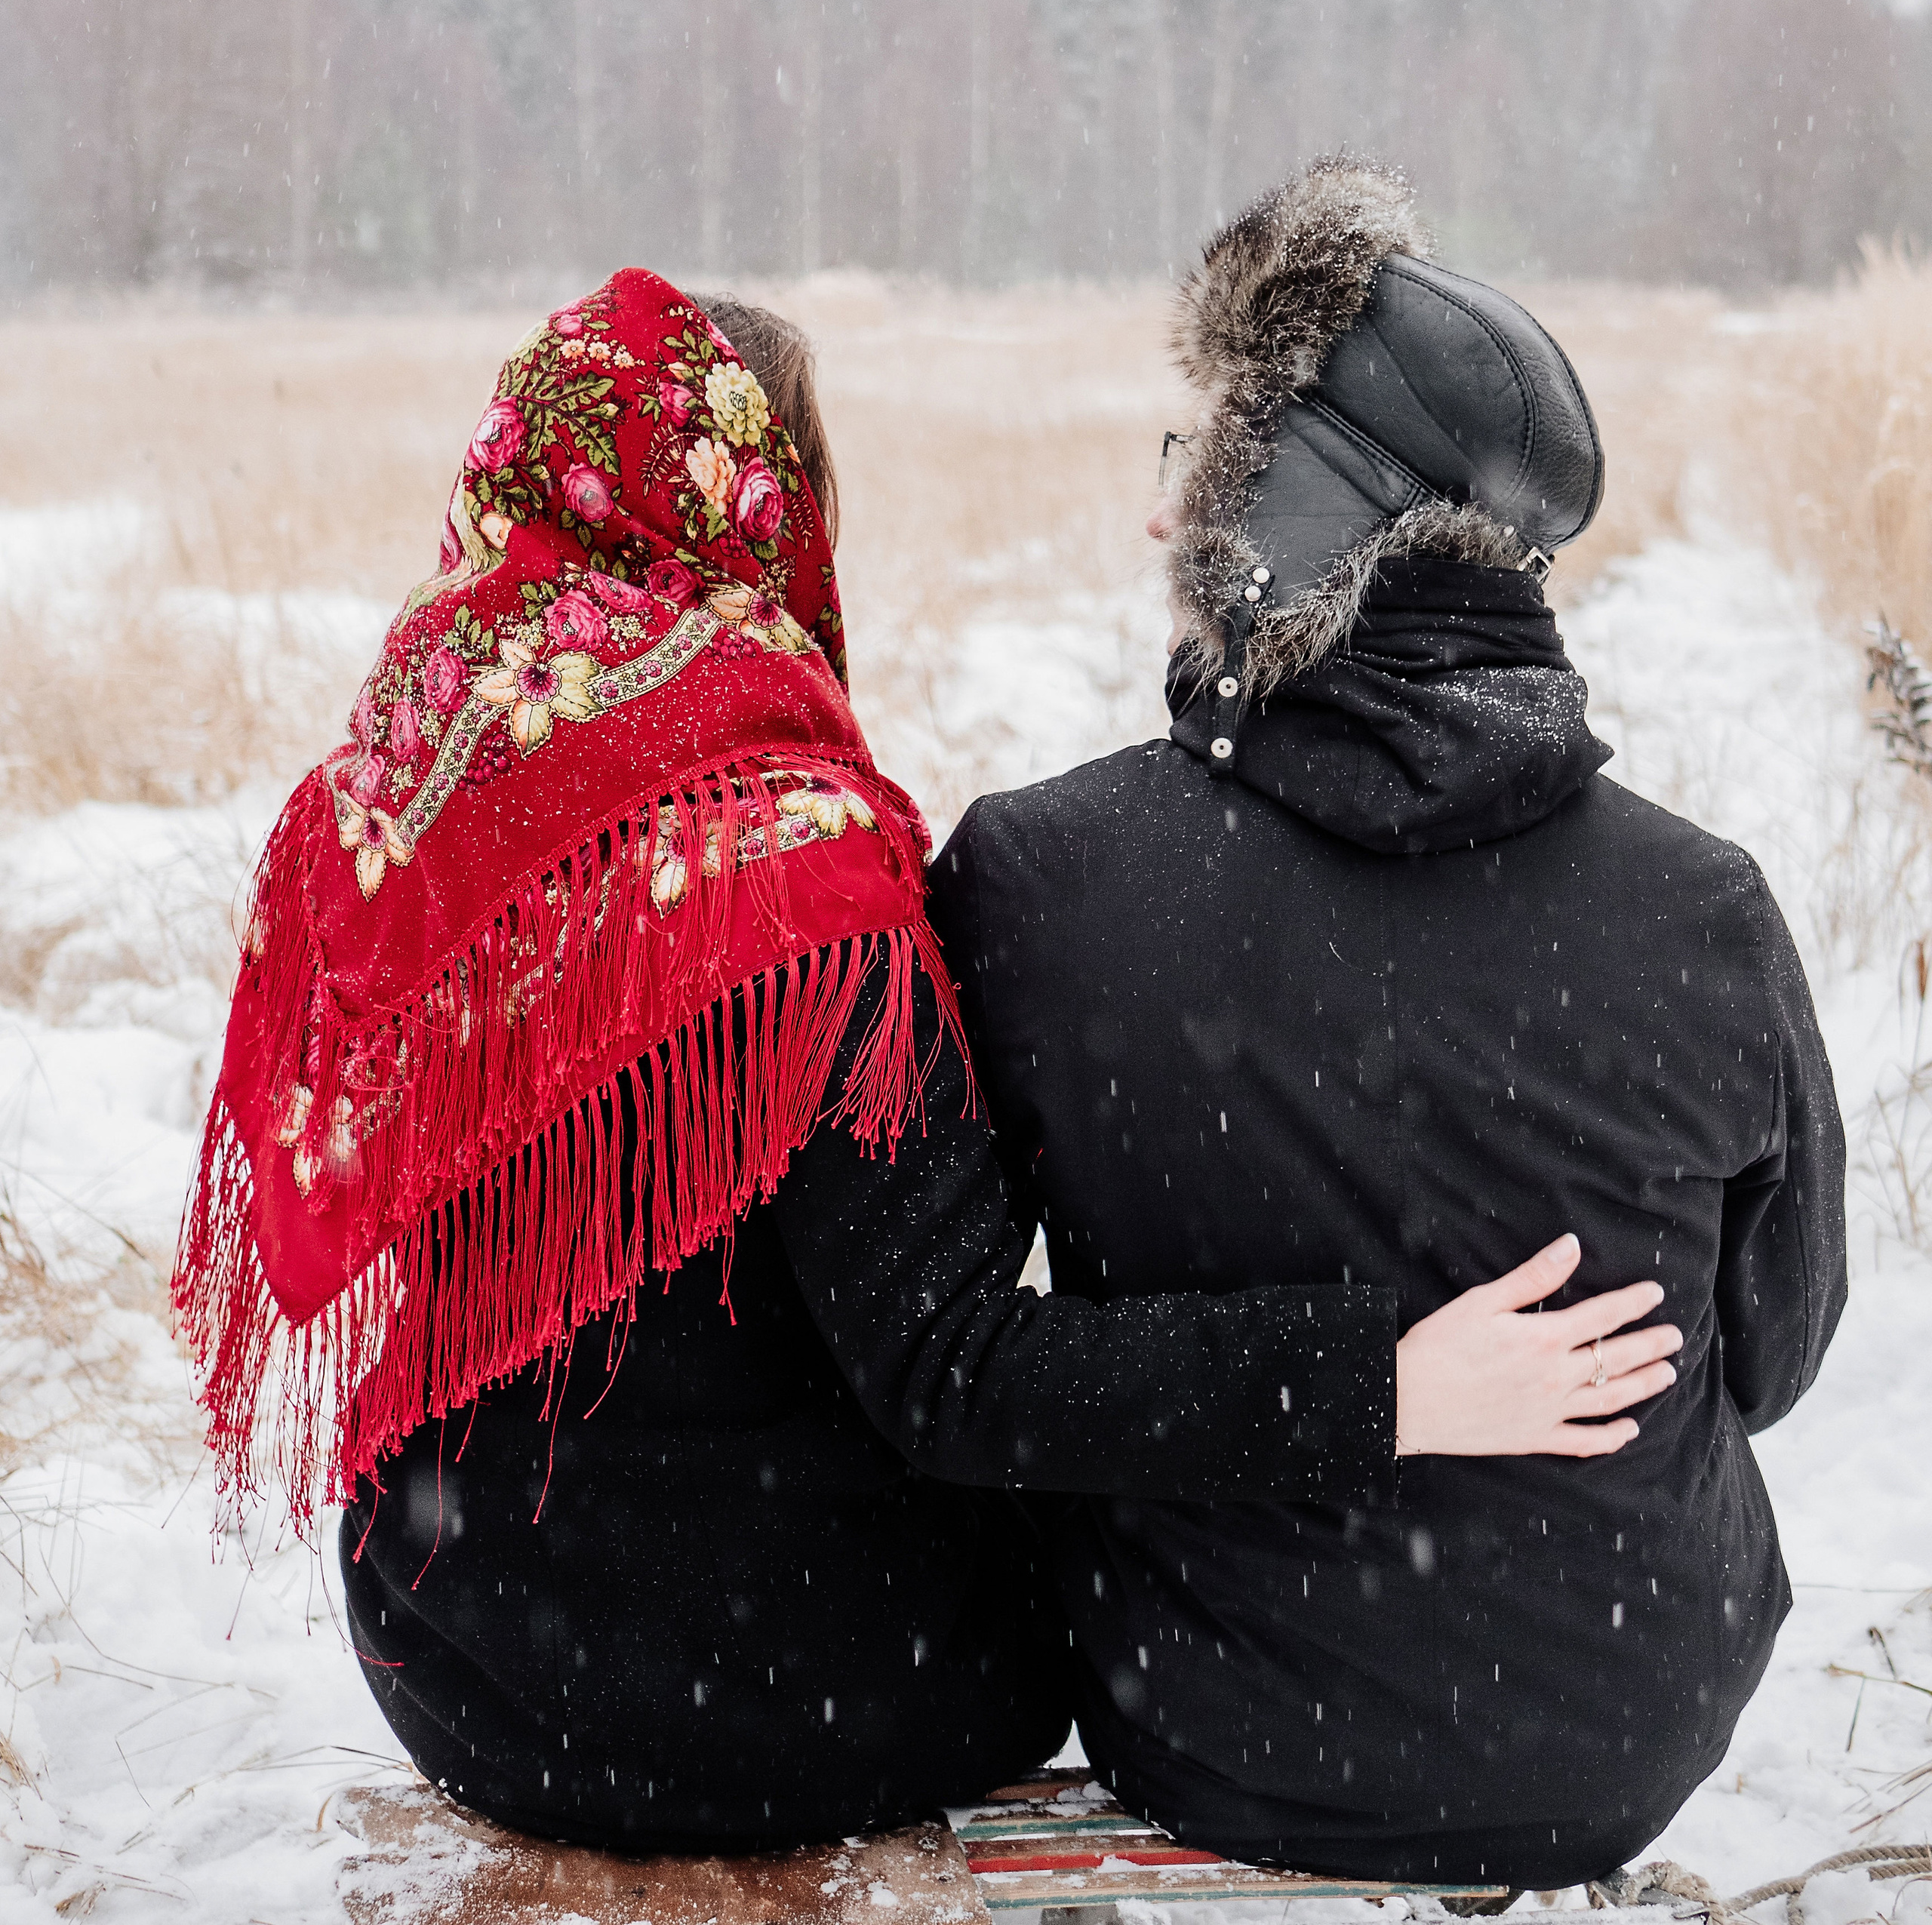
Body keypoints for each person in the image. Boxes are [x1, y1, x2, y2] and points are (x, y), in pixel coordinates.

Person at [174, 263, 1678, 1858]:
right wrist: (1377, 1383)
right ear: (762, 508)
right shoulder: (784, 877)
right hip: (777, 1698)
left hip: (457, 1664)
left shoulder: (384, 812)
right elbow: (958, 1378)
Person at [929, 156, 1847, 1891]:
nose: (1154, 520)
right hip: (1630, 1722)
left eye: (1188, 466)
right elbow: (1774, 1354)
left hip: (1213, 1731)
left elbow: (965, 1379)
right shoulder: (1703, 906)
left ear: (1273, 509)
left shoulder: (1040, 879)